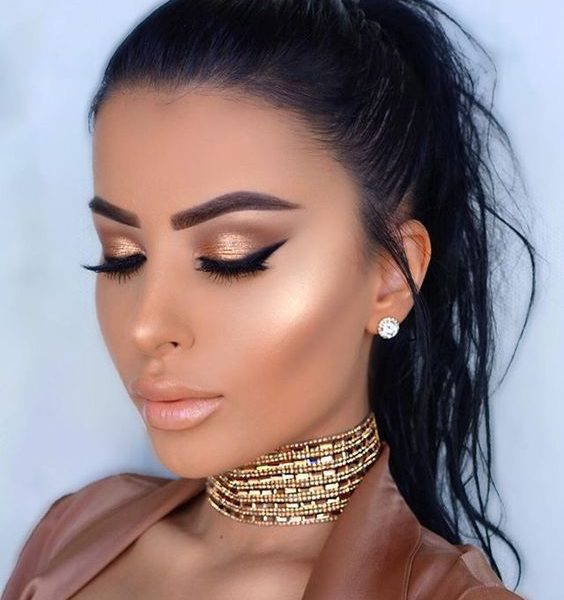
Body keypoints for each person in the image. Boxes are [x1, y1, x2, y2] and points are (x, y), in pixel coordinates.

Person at [2, 0, 536, 598]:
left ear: (391, 278)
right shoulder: (72, 533)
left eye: (231, 257)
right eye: (122, 256)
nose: (145, 326)